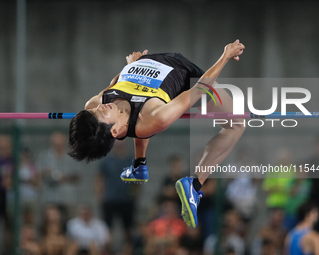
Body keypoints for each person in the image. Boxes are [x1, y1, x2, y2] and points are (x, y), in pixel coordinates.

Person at [68, 40, 246, 228]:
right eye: (102, 113)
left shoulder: (93, 104)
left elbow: (114, 85)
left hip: (145, 63)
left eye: (95, 110)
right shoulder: (156, 117)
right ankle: (194, 185)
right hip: (186, 74)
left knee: (136, 120)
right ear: (113, 131)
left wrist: (129, 68)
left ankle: (139, 165)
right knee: (237, 123)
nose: (100, 107)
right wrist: (225, 56)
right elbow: (201, 88)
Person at [95, 140, 137, 246]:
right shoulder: (107, 162)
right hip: (110, 199)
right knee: (108, 229)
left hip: (126, 199)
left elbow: (137, 181)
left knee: (128, 228)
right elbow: (100, 179)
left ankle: (128, 250)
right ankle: (107, 250)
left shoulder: (131, 161)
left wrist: (134, 195)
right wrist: (101, 196)